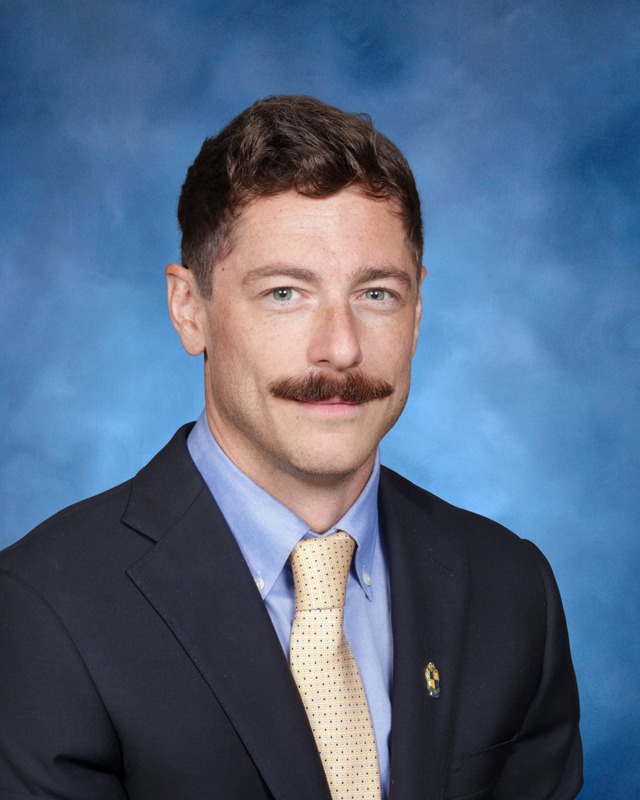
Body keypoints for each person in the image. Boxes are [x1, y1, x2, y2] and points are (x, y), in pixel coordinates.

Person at [0, 96, 582, 800]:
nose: (340, 348)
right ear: (190, 309)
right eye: (284, 293)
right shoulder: (42, 610)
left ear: (419, 309)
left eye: (375, 293)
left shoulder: (512, 591)